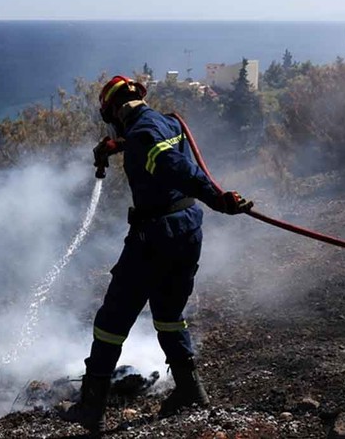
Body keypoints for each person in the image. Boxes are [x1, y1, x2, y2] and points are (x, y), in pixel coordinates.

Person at [59, 75, 252, 433]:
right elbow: (153, 145)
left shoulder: (145, 135)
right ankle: (192, 391)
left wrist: (219, 199)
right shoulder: (167, 121)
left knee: (111, 321)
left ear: (114, 110)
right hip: (187, 228)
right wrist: (116, 146)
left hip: (154, 236)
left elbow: (174, 166)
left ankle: (92, 409)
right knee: (169, 313)